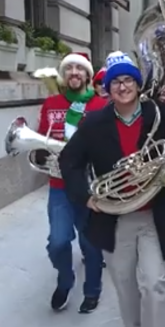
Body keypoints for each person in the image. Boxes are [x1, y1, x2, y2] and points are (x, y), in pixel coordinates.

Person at [58, 51, 165, 327]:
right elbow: (69, 161)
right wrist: (86, 196)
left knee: (155, 282)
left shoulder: (159, 114)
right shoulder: (93, 123)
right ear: (107, 88)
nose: (122, 87)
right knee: (124, 282)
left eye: (128, 80)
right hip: (115, 217)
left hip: (154, 214)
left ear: (137, 83)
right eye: (115, 81)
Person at [37, 52, 108, 313]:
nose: (74, 73)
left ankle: (92, 291)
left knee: (90, 244)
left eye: (80, 69)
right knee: (57, 242)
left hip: (89, 185)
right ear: (63, 75)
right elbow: (41, 139)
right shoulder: (50, 103)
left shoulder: (100, 105)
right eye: (69, 69)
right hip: (59, 185)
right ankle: (65, 281)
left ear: (88, 75)